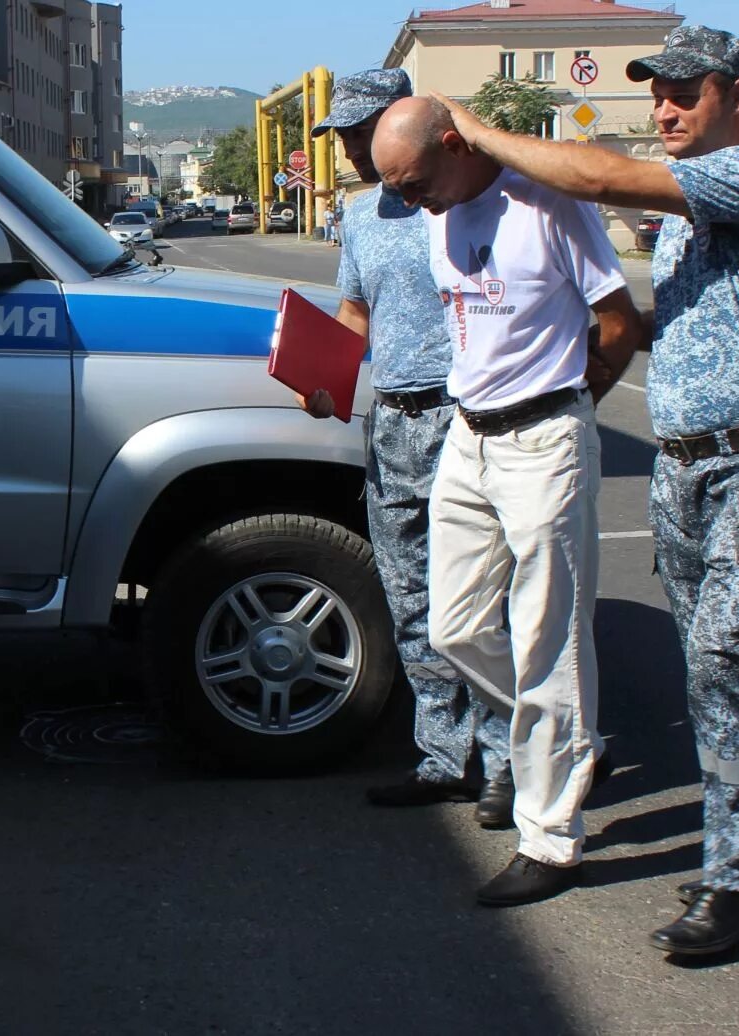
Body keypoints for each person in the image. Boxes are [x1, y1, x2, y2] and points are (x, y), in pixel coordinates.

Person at [430, 25, 739, 958]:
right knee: (721, 662)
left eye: (685, 94)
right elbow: (681, 318)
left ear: (737, 94)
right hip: (689, 463)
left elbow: (600, 179)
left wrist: (480, 132)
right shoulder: (695, 217)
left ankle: (737, 882)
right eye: (657, 92)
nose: (664, 109)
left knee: (723, 659)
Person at [371, 96, 647, 908]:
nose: (413, 201)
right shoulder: (437, 210)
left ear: (457, 144)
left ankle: (552, 840)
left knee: (548, 642)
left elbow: (620, 321)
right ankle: (568, 737)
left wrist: (570, 407)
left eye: (417, 181)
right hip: (469, 436)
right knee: (455, 627)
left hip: (543, 438)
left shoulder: (546, 204)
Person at [300, 69, 512, 825]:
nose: (353, 150)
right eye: (345, 138)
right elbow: (357, 312)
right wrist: (328, 379)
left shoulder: (456, 195)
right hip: (392, 421)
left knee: (481, 601)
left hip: (462, 417)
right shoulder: (359, 215)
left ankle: (508, 760)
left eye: (362, 132)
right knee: (410, 596)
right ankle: (443, 756)